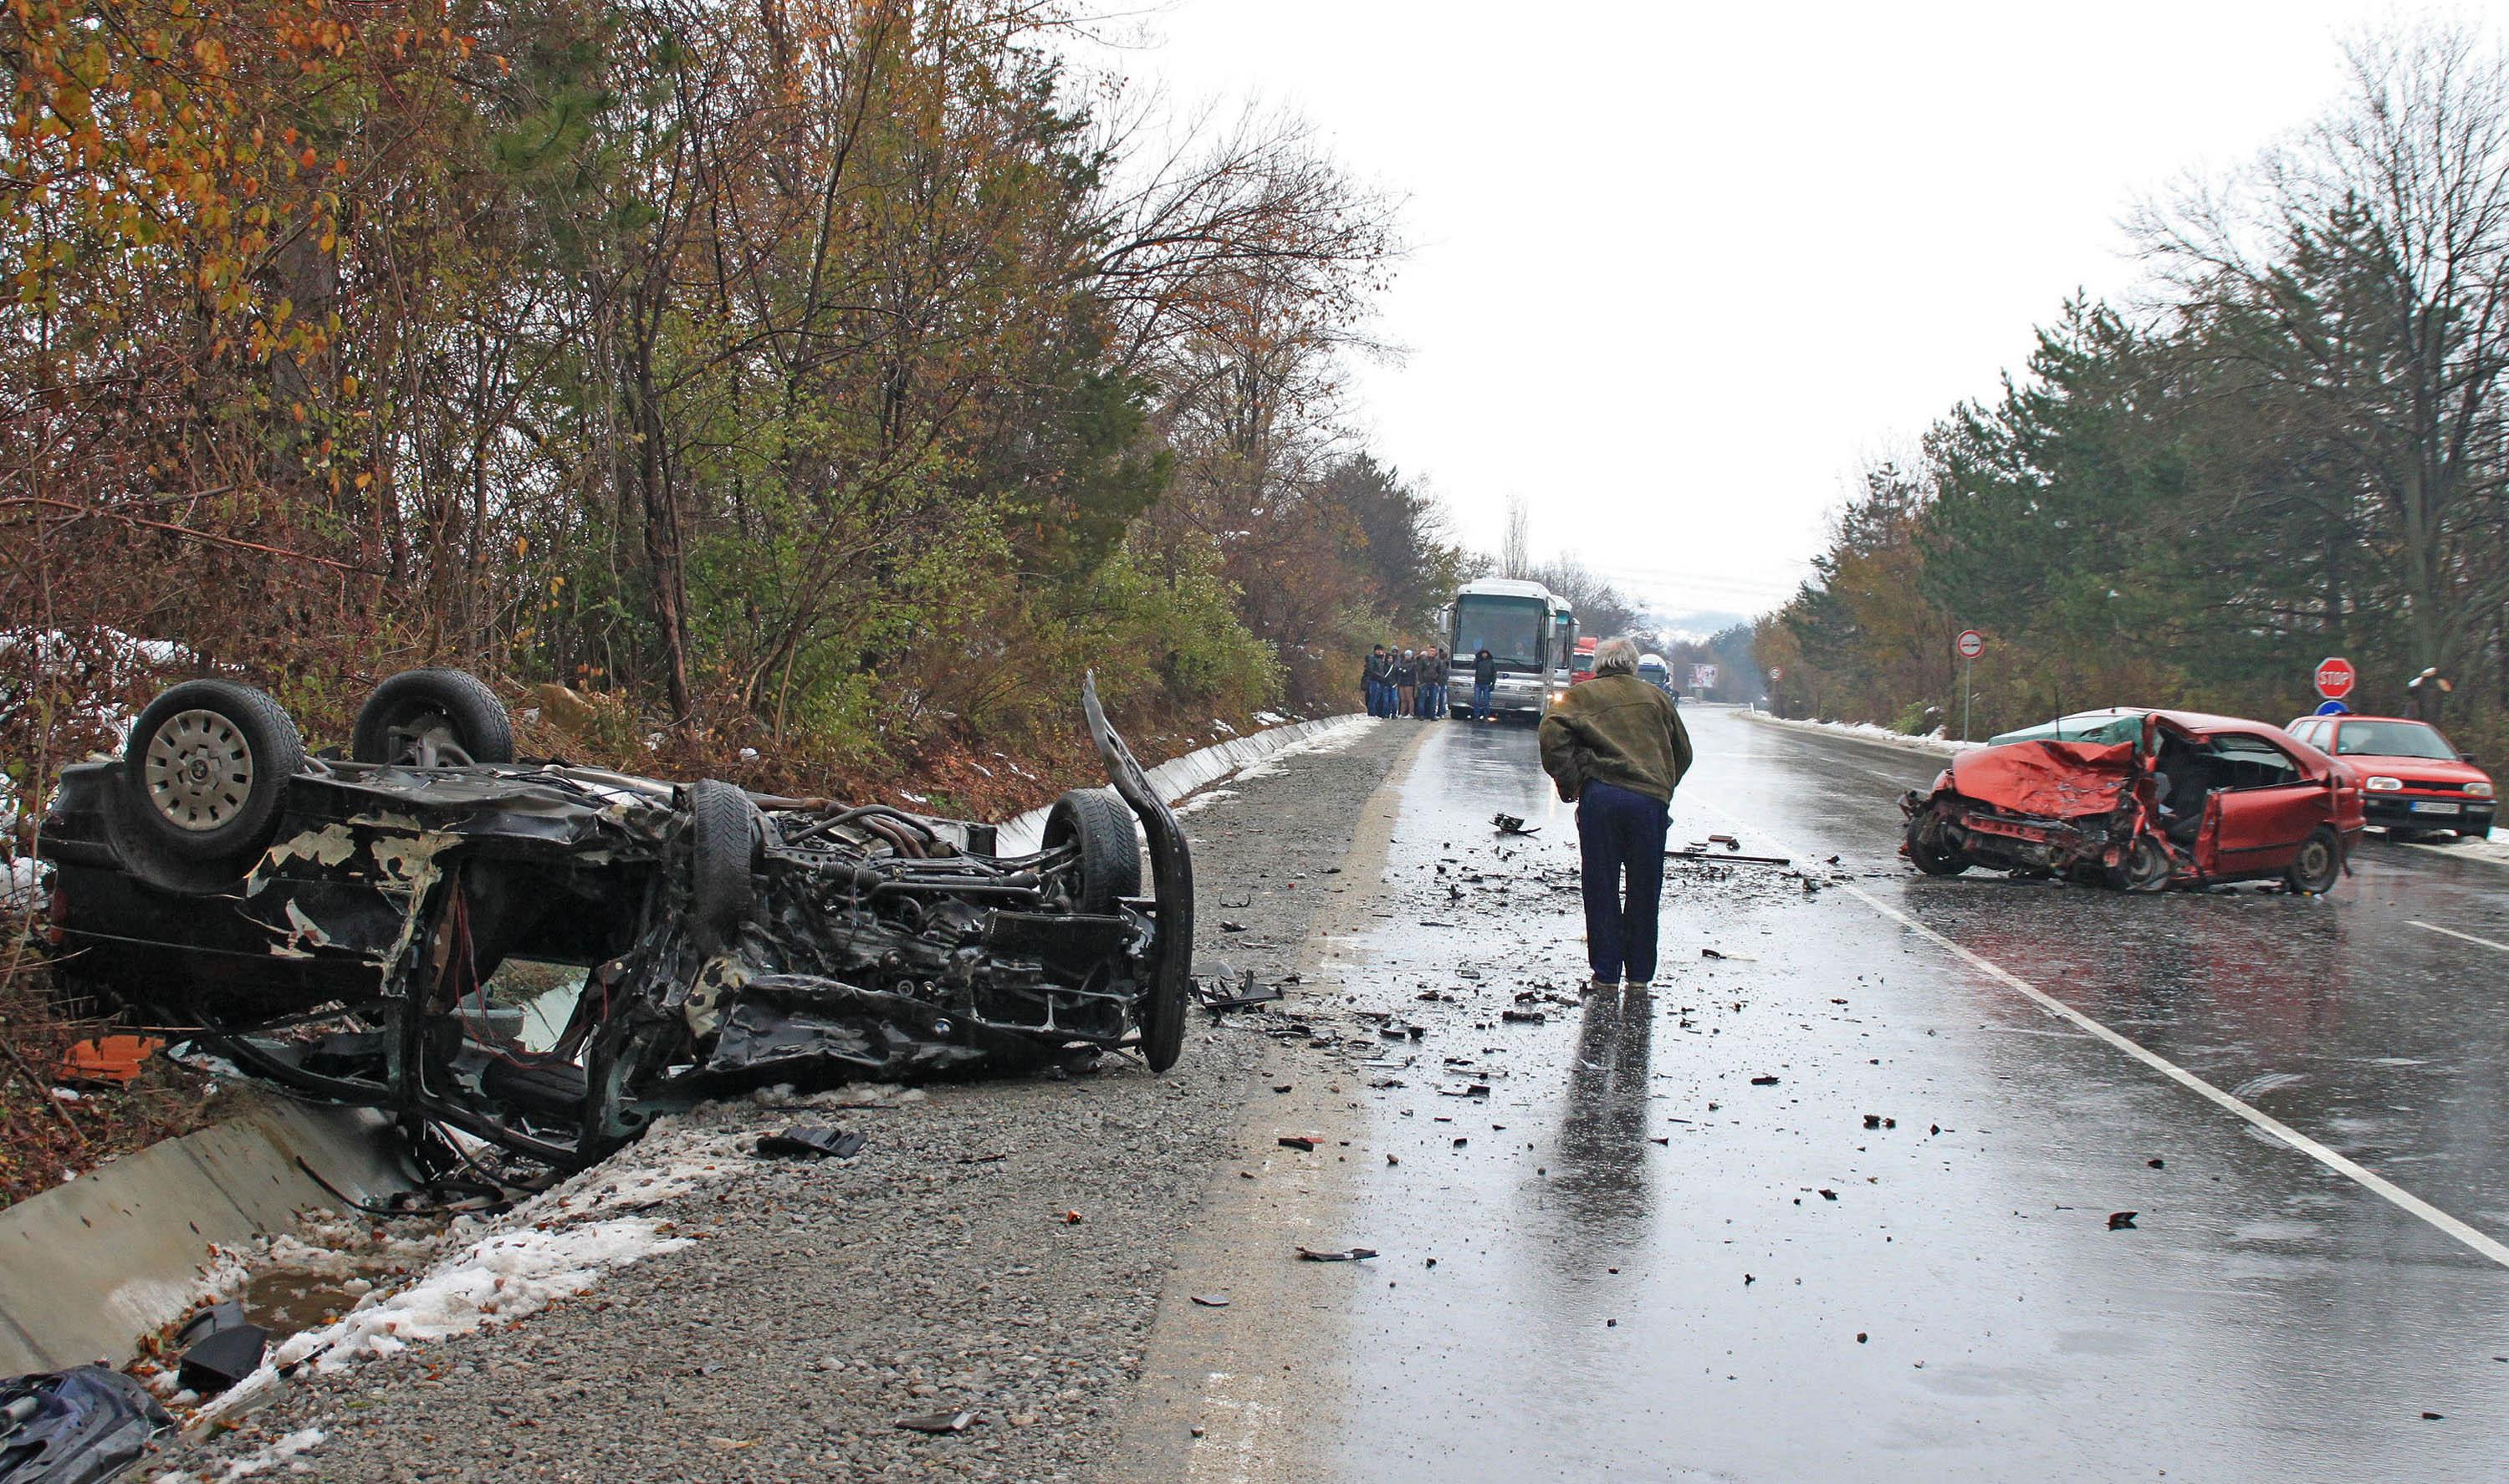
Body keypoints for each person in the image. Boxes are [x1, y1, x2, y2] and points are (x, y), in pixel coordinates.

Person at [1538, 636, 1693, 992]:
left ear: (1598, 665)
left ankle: (1605, 973)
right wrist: (1661, 785)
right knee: (1645, 886)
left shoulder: (1579, 698)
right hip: (1648, 802)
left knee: (1600, 883)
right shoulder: (1657, 699)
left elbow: (1552, 737)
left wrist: (1573, 782)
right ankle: (1639, 974)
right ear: (1633, 665)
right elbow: (1683, 752)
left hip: (1602, 798)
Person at [1363, 645, 1392, 717]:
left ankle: (1375, 712)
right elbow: (1371, 670)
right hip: (1373, 680)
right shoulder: (1372, 658)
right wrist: (1380, 676)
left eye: (1381, 650)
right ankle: (1371, 713)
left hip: (1379, 681)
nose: (1380, 652)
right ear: (1375, 650)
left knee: (1377, 698)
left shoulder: (1379, 659)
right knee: (1373, 697)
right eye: (1378, 650)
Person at [1471, 646, 1498, 722]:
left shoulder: (1491, 662)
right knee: (1476, 701)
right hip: (1478, 683)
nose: (1484, 655)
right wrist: (1476, 659)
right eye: (1483, 654)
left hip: (1487, 684)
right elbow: (1472, 667)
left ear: (1488, 654)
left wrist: (1493, 683)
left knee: (1486, 701)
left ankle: (1486, 716)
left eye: (1485, 654)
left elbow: (1494, 672)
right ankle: (1477, 716)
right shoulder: (1478, 661)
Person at [1393, 648, 1418, 719]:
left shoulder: (1413, 663)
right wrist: (1402, 671)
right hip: (1402, 682)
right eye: (1406, 655)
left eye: (1408, 655)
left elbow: (1407, 671)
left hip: (1409, 683)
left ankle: (1411, 713)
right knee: (1403, 698)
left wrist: (1403, 671)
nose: (1407, 656)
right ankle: (1402, 713)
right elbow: (1400, 670)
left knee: (1409, 698)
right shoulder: (1402, 662)